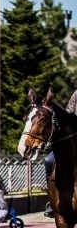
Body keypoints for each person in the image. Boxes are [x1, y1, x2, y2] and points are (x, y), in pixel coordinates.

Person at [43, 88, 77, 217]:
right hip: (74, 139)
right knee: (49, 160)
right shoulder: (76, 93)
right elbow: (68, 112)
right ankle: (52, 200)